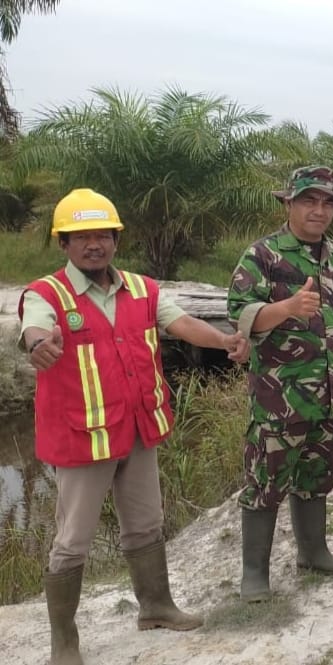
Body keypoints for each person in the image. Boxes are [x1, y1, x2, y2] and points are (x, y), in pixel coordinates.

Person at [19, 188, 249, 665]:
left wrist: (224, 340)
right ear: (64, 243)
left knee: (146, 524)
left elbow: (182, 324)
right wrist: (39, 344)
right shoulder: (46, 294)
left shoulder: (143, 289)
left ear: (116, 240)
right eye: (81, 237)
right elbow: (35, 328)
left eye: (102, 234)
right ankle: (65, 642)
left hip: (139, 429)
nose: (93, 244)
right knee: (72, 541)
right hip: (83, 439)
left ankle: (157, 606)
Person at [227, 165, 333, 602]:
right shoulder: (263, 255)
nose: (319, 210)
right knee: (266, 481)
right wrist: (287, 308)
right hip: (280, 398)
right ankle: (254, 574)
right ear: (288, 203)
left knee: (317, 474)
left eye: (328, 203)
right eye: (309, 201)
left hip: (332, 394)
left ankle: (314, 552)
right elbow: (241, 315)